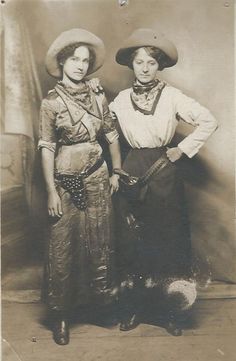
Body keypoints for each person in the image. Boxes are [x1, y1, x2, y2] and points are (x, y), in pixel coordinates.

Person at [106, 28, 218, 335]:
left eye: (151, 63)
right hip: (132, 170)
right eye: (139, 61)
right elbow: (102, 128)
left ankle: (170, 312)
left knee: (168, 239)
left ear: (160, 66)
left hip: (164, 171)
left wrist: (182, 149)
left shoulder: (172, 96)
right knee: (132, 242)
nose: (144, 68)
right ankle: (133, 308)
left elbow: (209, 120)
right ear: (131, 64)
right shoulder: (120, 100)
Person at [38, 28, 121, 345]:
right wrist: (50, 190)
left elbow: (111, 135)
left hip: (99, 178)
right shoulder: (51, 102)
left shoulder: (99, 96)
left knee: (99, 242)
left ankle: (98, 307)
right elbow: (46, 146)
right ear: (62, 62)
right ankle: (61, 316)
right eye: (74, 58)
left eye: (85, 60)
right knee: (63, 248)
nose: (80, 65)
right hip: (65, 181)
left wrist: (117, 171)